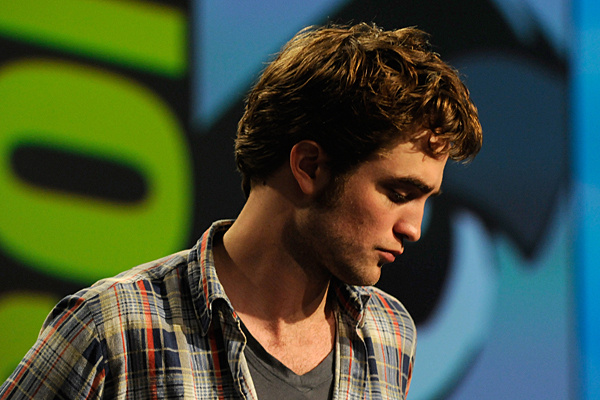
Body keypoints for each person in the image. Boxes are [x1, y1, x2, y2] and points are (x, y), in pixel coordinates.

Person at [0, 22, 481, 399]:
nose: (414, 228)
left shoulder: (388, 333)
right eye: (398, 192)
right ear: (309, 166)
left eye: (426, 200)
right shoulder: (112, 328)